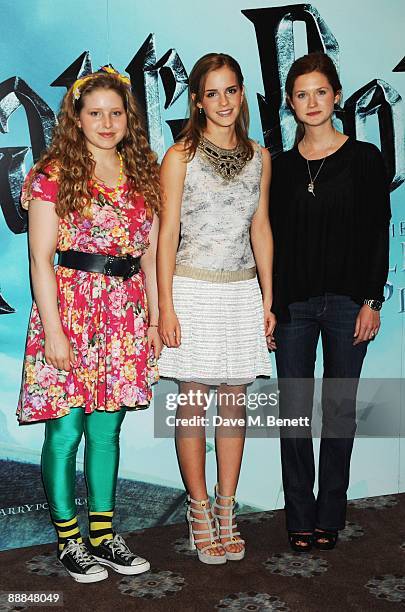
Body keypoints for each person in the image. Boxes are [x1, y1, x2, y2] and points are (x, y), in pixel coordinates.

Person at [17, 65, 162, 582]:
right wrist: (53, 331)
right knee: (65, 431)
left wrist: (153, 319)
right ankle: (69, 540)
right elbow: (39, 261)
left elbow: (148, 258)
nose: (106, 122)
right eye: (95, 113)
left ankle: (103, 535)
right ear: (76, 118)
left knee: (107, 431)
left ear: (129, 119)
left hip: (124, 315)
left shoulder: (142, 173)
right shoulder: (53, 173)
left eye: (115, 113)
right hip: (70, 311)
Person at [270, 52, 391, 552]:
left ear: (337, 96)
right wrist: (271, 305)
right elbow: (269, 241)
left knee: (338, 413)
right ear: (290, 104)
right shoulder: (276, 167)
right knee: (295, 415)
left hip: (348, 305)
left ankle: (330, 514)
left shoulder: (365, 158)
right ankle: (299, 514)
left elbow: (377, 234)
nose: (312, 102)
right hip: (294, 306)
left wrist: (371, 299)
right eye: (302, 94)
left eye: (321, 92)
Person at [157, 53, 275, 565]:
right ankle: (198, 509)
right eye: (212, 93)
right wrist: (164, 304)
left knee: (234, 402)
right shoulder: (179, 155)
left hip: (241, 290)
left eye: (231, 90)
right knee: (192, 401)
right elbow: (167, 236)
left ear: (242, 94)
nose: (223, 102)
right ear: (197, 99)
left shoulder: (261, 156)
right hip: (192, 289)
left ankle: (228, 508)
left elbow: (261, 227)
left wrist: (269, 297)